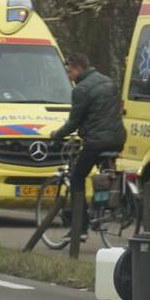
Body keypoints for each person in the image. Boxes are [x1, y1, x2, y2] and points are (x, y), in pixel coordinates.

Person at [50, 53, 127, 234]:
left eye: (69, 72)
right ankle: (106, 204)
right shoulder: (110, 82)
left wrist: (56, 136)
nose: (68, 76)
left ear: (78, 68)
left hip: (96, 141)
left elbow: (73, 122)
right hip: (118, 138)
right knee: (106, 174)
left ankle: (80, 227)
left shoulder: (81, 89)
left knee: (77, 178)